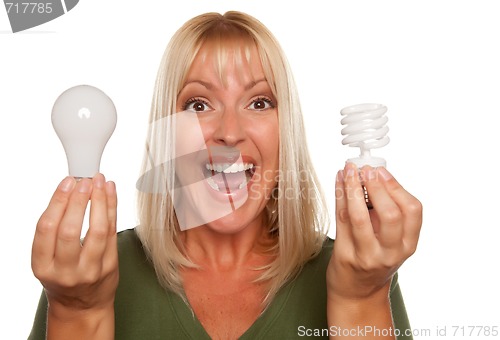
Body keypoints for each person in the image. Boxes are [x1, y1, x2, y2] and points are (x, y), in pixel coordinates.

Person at [29, 11, 422, 340]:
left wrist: (361, 299)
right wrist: (76, 310)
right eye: (199, 104)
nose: (230, 131)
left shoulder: (361, 271)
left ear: (287, 131)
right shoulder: (86, 273)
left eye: (259, 102)